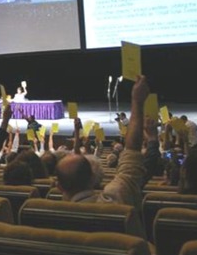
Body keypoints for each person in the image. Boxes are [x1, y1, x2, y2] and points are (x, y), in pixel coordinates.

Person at [54, 75, 149, 205]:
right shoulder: (112, 202)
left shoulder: (40, 209)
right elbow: (131, 161)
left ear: (58, 187)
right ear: (93, 178)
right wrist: (137, 103)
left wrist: (77, 134)